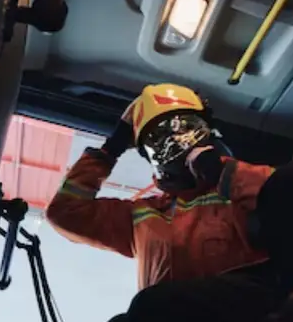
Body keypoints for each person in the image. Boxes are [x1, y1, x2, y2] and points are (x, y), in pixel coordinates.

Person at [44, 82, 275, 289]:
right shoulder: (143, 216)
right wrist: (111, 149)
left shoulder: (239, 187)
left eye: (185, 127)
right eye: (158, 138)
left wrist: (224, 173)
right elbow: (66, 213)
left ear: (207, 131)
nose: (175, 141)